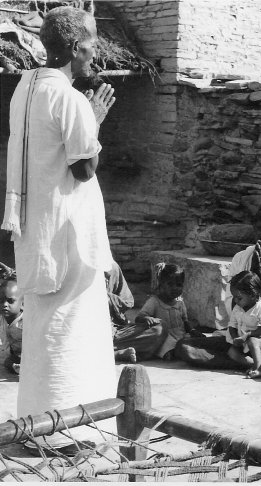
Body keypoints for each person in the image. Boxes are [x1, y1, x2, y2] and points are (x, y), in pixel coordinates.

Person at [1, 6, 116, 452]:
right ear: (72, 47)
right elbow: (84, 169)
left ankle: (35, 425)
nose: (94, 54)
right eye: (89, 45)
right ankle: (72, 432)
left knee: (45, 326)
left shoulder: (24, 88)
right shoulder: (69, 98)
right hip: (67, 234)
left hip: (36, 232)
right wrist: (94, 120)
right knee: (72, 327)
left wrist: (86, 118)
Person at [177, 202, 261, 378]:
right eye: (260, 229)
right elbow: (232, 306)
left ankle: (246, 360)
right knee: (184, 347)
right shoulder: (241, 258)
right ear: (254, 230)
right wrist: (251, 274)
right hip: (242, 336)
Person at [131, 263, 195, 360]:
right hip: (165, 337)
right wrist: (146, 318)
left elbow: (185, 321)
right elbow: (139, 318)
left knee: (192, 342)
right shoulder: (154, 302)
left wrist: (193, 331)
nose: (175, 288)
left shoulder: (180, 302)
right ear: (161, 285)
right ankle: (172, 352)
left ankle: (182, 350)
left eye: (179, 285)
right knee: (167, 347)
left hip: (180, 335)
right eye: (170, 284)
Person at [227, 271, 261, 378]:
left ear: (253, 295)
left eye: (239, 298)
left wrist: (248, 335)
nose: (235, 300)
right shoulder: (237, 308)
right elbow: (232, 325)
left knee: (252, 341)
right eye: (234, 297)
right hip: (243, 341)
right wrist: (235, 338)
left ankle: (258, 369)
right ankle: (256, 365)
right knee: (232, 352)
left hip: (260, 341)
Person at [0, 279, 23, 374]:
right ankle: (15, 367)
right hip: (11, 356)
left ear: (22, 303)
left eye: (10, 301)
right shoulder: (2, 319)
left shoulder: (27, 322)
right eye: (1, 300)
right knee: (6, 361)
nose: (5, 305)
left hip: (30, 357)